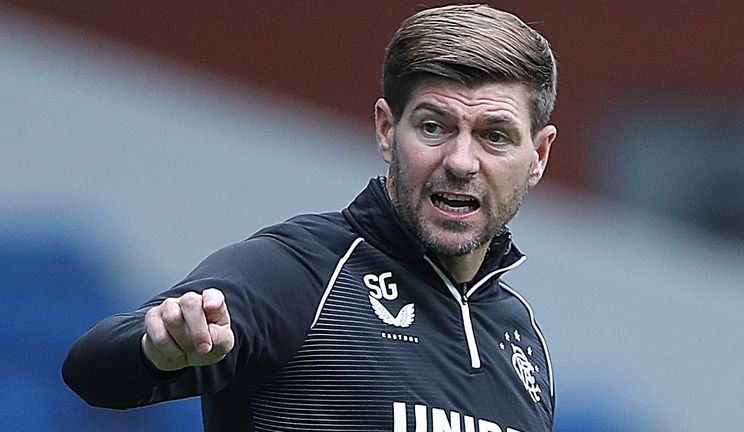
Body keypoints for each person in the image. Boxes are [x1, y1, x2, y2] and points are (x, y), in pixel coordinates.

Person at [62, 4, 559, 431]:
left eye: (494, 136)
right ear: (387, 130)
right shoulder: (301, 271)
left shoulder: (523, 337)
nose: (460, 161)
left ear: (537, 155)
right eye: (434, 127)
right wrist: (157, 349)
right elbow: (92, 368)